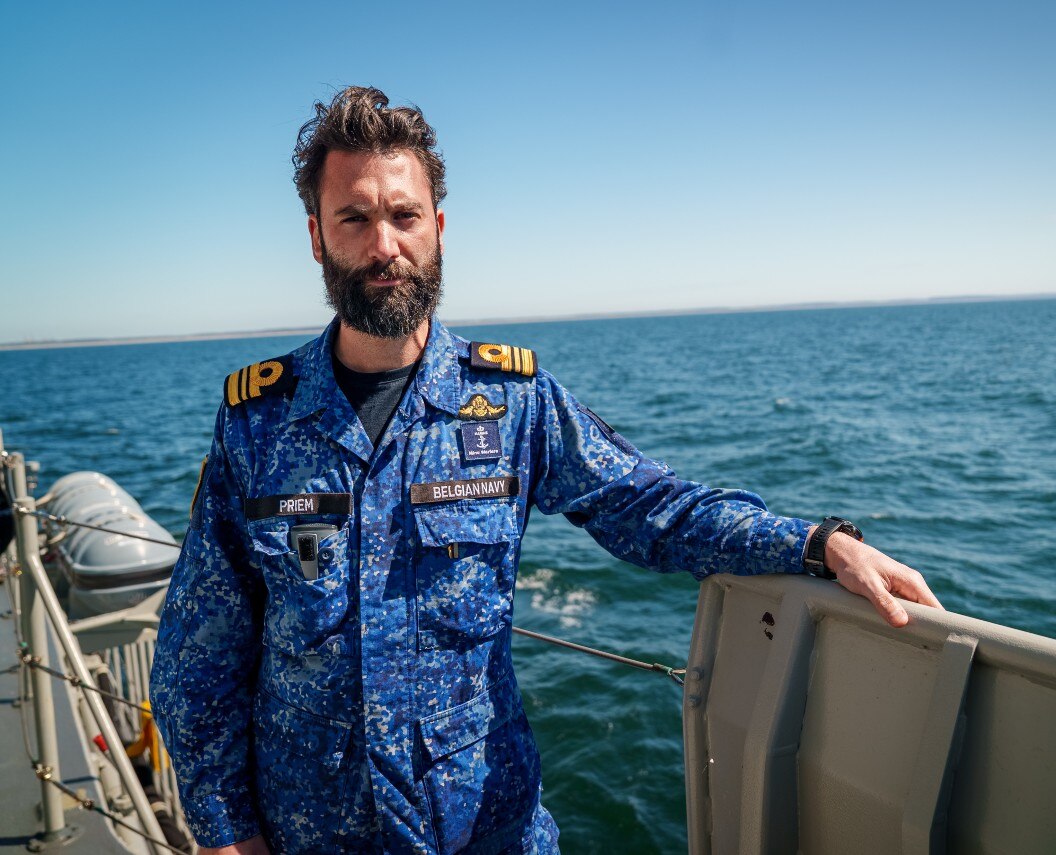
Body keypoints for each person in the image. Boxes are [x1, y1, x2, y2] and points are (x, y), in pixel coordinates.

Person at [150, 86, 943, 855]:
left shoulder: (512, 401)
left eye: (404, 215)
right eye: (353, 218)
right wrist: (226, 832)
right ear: (317, 237)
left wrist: (815, 543)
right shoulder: (259, 422)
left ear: (439, 228)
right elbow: (198, 652)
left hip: (489, 832)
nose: (384, 245)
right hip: (312, 835)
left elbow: (648, 504)